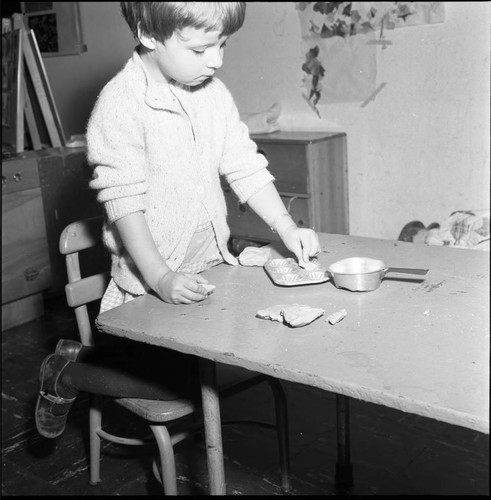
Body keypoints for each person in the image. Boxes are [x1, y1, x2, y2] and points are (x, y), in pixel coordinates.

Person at [35, 2, 321, 439]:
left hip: (206, 269)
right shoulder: (119, 105)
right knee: (185, 390)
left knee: (234, 361)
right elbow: (123, 202)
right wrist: (160, 276)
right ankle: (66, 373)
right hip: (148, 284)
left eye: (222, 44)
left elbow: (244, 165)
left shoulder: (213, 93)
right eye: (201, 48)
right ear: (150, 33)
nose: (218, 60)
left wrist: (286, 226)